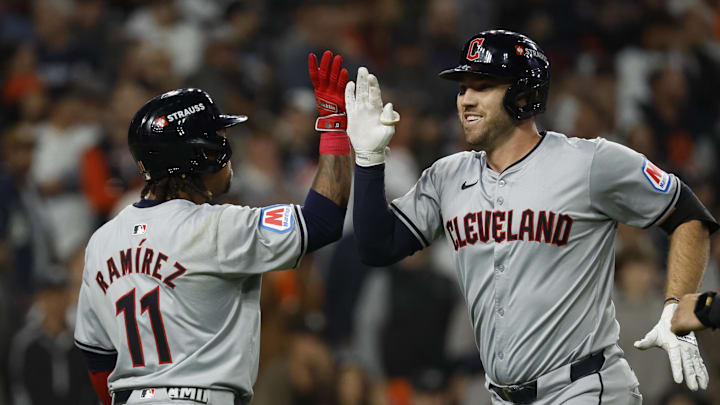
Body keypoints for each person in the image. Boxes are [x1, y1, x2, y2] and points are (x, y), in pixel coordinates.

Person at [345, 30, 718, 404]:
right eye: (462, 88)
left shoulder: (588, 163)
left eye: (483, 86)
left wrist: (675, 304)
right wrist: (368, 159)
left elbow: (687, 213)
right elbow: (378, 246)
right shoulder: (447, 176)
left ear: (524, 95)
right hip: (502, 396)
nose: (466, 100)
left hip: (584, 388)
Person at [73, 50, 352, 405]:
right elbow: (323, 222)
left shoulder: (101, 241)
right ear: (201, 152)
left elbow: (97, 358)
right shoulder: (217, 228)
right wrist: (333, 125)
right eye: (218, 135)